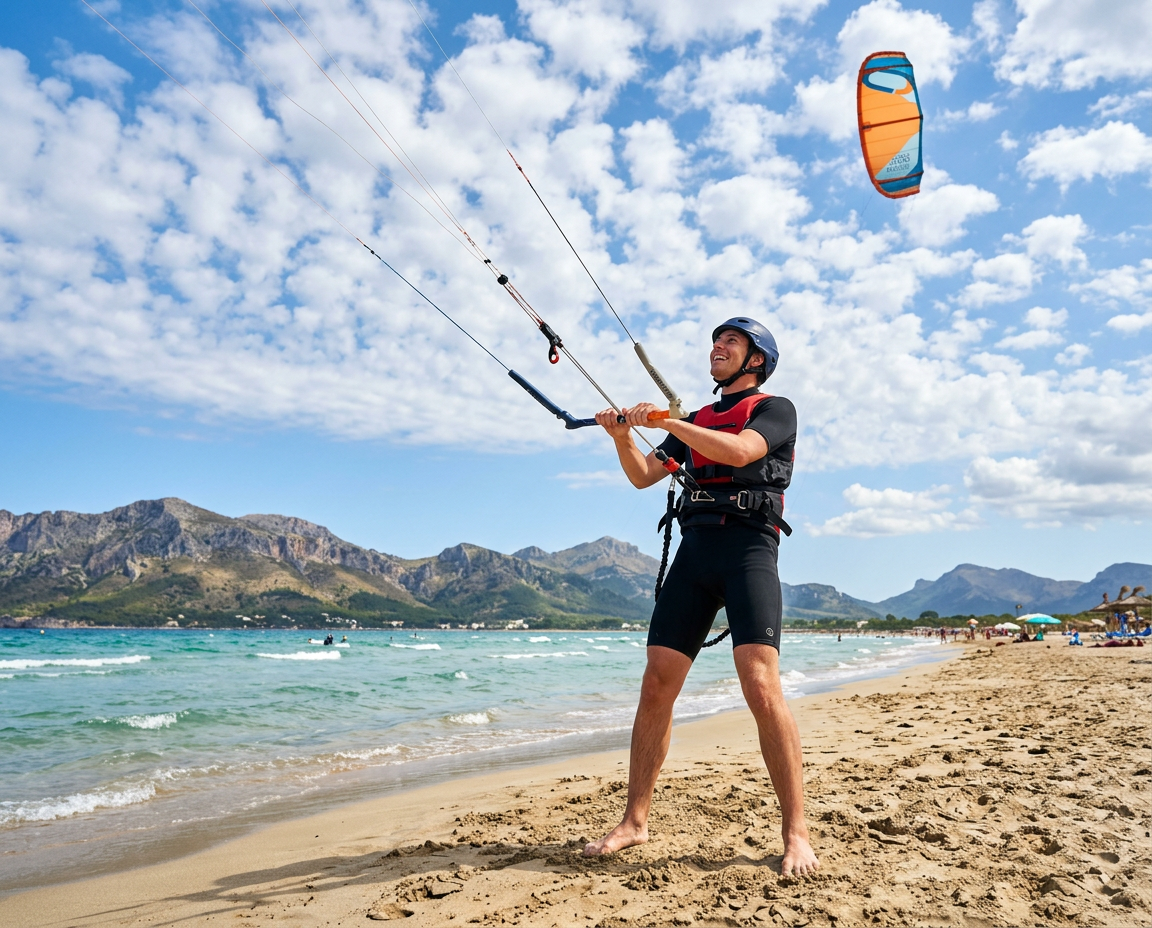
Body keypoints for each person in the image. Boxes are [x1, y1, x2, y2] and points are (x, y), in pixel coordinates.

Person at [584, 317, 819, 878]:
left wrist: (673, 422)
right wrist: (623, 435)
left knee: (761, 685)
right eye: (716, 340)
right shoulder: (694, 421)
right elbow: (646, 474)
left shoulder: (775, 408)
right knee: (656, 682)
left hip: (748, 553)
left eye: (731, 341)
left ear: (757, 360)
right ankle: (635, 820)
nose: (718, 346)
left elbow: (740, 452)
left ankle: (796, 832)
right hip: (695, 553)